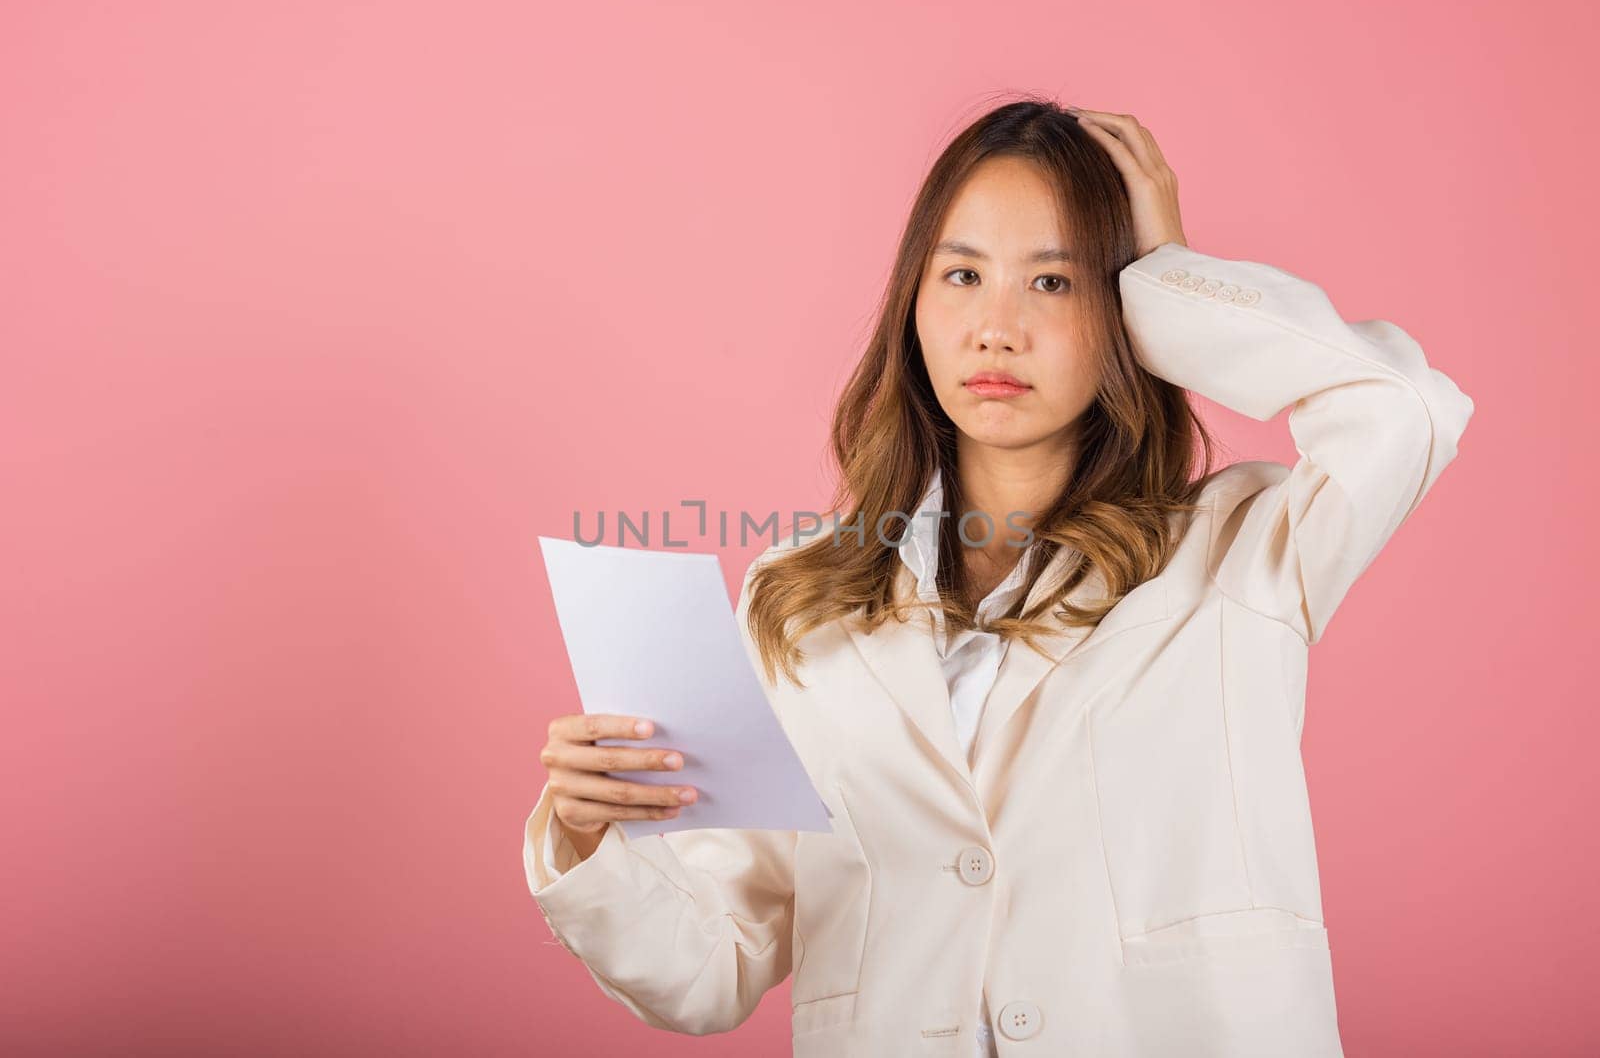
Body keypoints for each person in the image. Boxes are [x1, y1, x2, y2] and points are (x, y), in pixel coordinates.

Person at [521, 98, 1474, 1057]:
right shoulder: (799, 596)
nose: (997, 327)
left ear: (1122, 313)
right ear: (914, 305)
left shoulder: (1237, 550)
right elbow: (708, 965)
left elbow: (1401, 411)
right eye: (963, 274)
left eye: (1054, 282)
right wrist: (590, 833)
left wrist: (1173, 276)